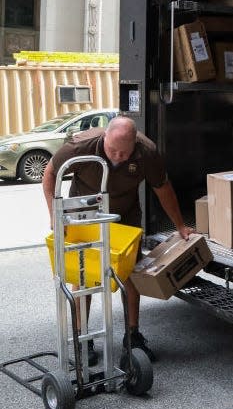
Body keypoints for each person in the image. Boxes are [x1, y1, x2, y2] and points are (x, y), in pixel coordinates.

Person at [42, 116, 192, 363]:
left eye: (125, 153)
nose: (118, 157)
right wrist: (54, 217)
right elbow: (49, 175)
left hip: (124, 213)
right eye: (113, 150)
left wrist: (180, 226)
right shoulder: (79, 147)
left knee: (130, 272)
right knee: (85, 274)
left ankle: (132, 336)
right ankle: (82, 338)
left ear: (135, 144)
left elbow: (162, 187)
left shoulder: (147, 153)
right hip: (84, 212)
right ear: (104, 138)